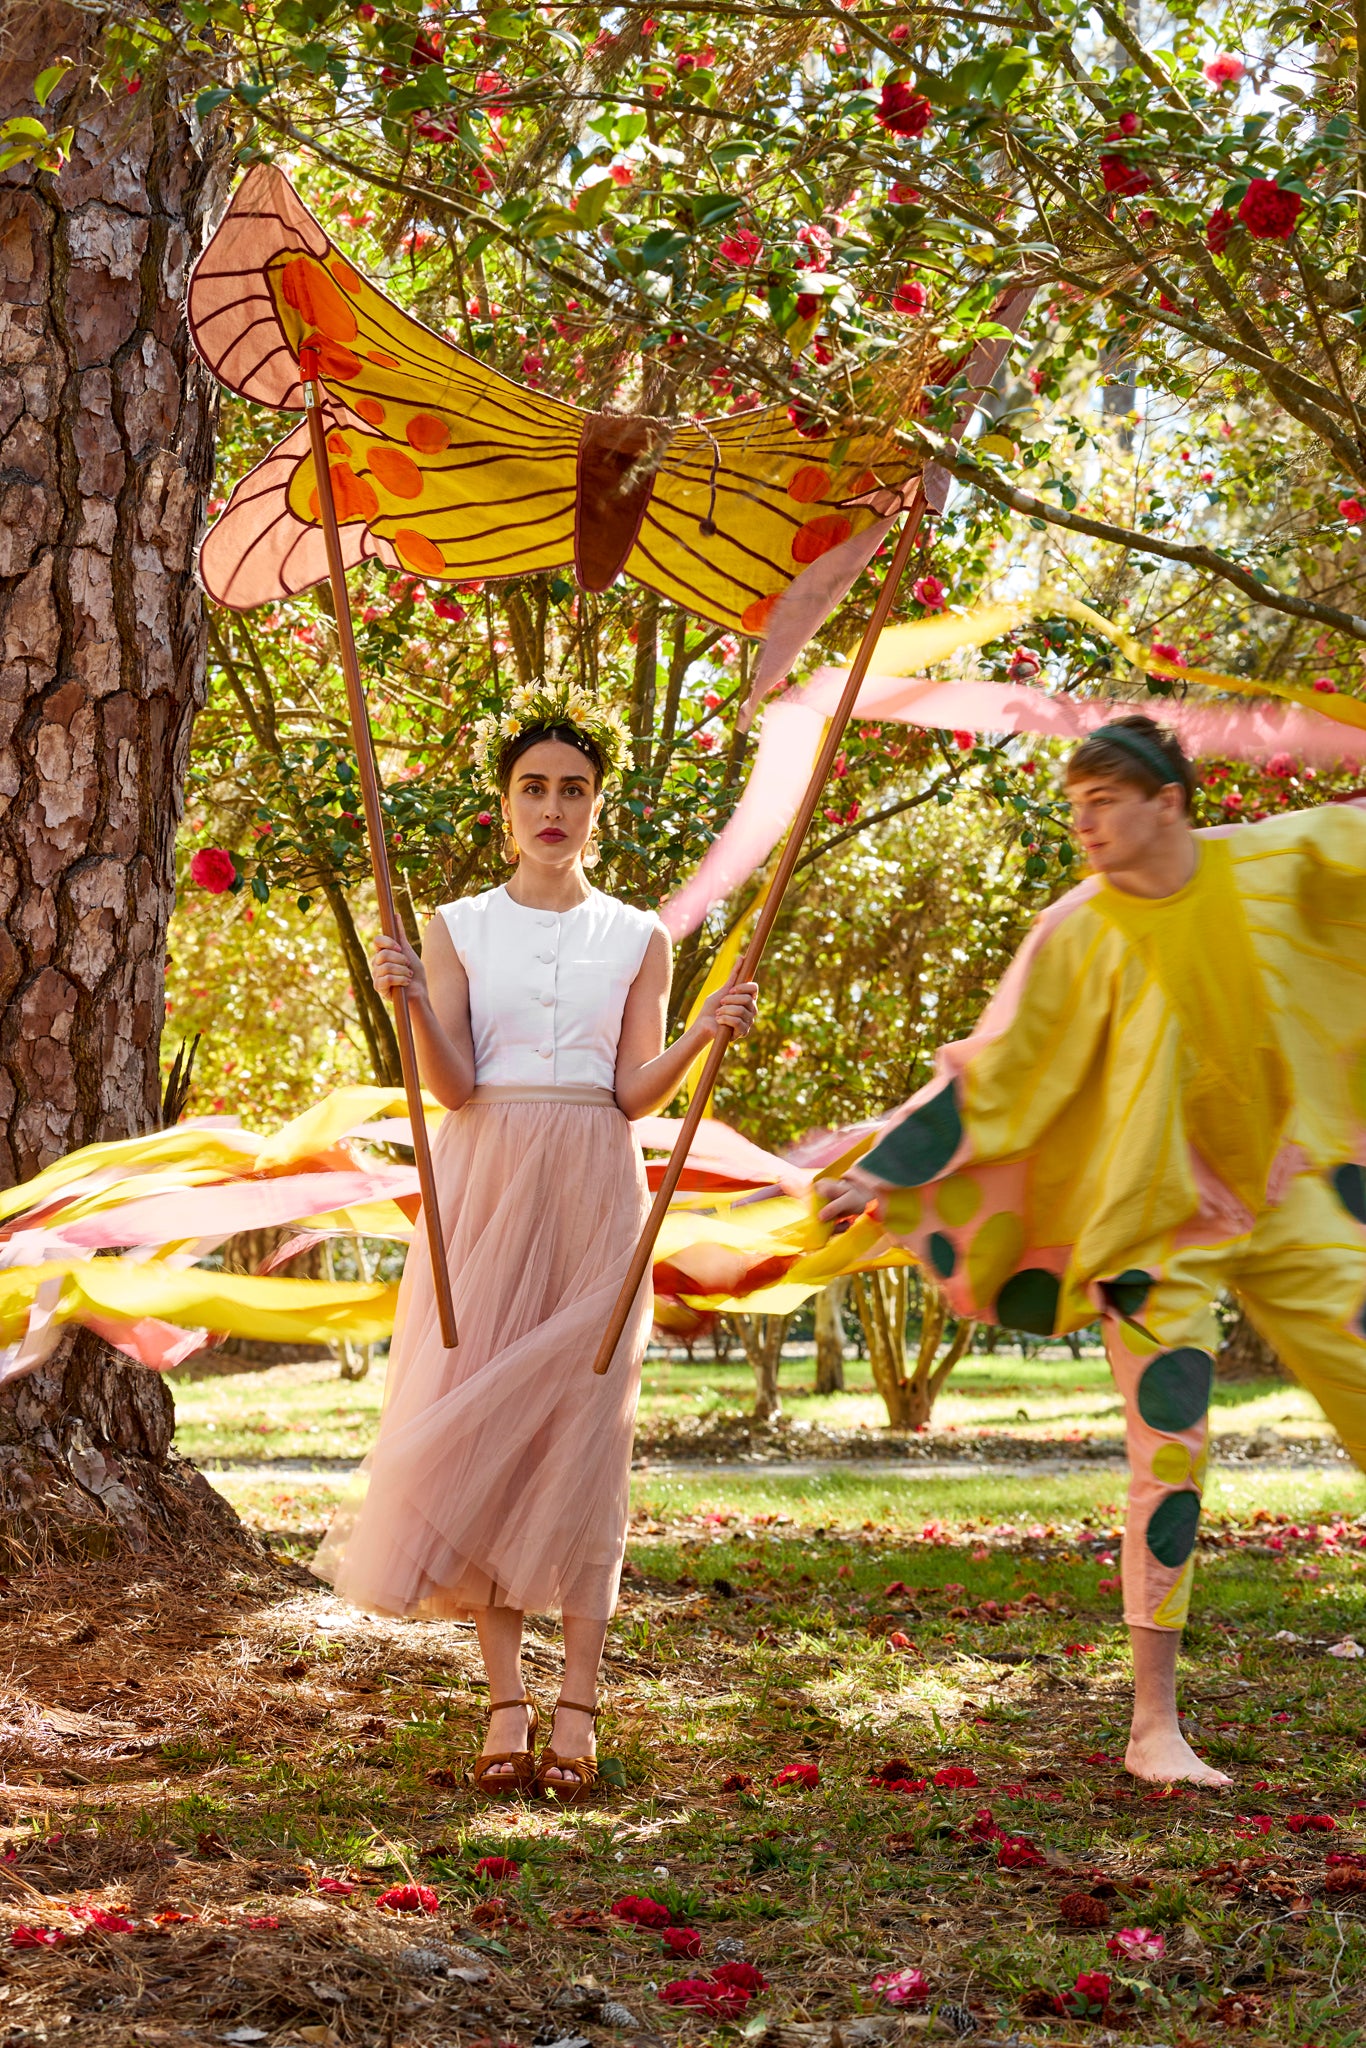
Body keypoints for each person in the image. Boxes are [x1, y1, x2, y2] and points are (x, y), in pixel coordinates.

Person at [819, 714, 1366, 1785]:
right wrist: (881, 1169)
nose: (1085, 824)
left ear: (1169, 801)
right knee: (1168, 1454)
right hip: (1154, 1226)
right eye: (1074, 806)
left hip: (1292, 1190)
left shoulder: (1279, 855)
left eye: (1104, 802)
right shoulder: (1076, 929)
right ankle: (1152, 1728)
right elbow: (994, 1072)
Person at [313, 681, 757, 1800]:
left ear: (598, 806)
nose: (551, 804)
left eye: (573, 788)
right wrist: (410, 1004)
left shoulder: (638, 935)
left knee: (585, 1433)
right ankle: (506, 1696)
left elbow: (629, 1093)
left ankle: (580, 1705)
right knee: (495, 1433)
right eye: (532, 787)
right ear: (503, 805)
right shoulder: (456, 925)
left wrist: (702, 1034)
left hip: (596, 1183)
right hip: (487, 1177)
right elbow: (453, 1087)